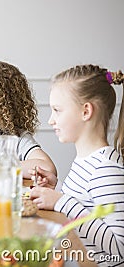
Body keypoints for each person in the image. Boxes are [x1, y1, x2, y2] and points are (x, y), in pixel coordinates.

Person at [31, 65, 124, 265]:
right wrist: (55, 190)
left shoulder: (107, 170)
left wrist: (61, 201)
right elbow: (86, 207)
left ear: (85, 111)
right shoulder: (86, 161)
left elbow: (120, 248)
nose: (51, 120)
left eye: (57, 110)